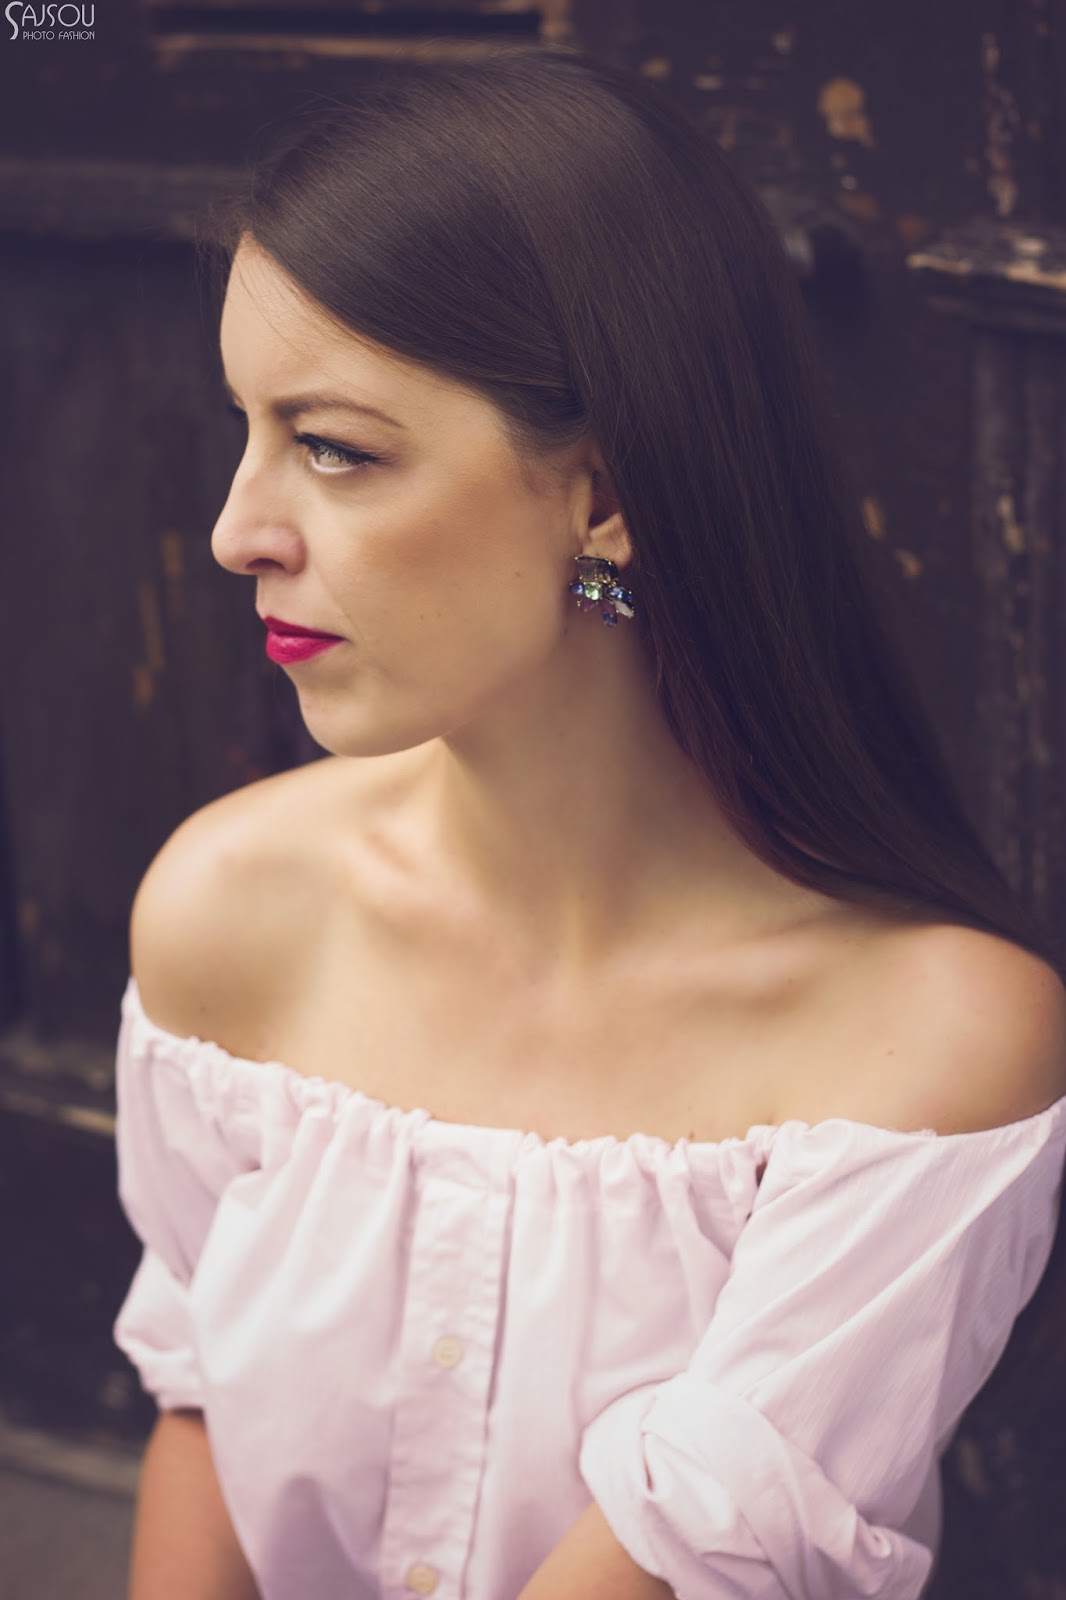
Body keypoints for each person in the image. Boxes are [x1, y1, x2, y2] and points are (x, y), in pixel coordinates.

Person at [112, 45, 1066, 1600]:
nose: (237, 531)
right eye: (247, 428)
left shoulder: (927, 1043)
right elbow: (199, 1404)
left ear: (604, 495)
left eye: (334, 447)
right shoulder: (228, 910)